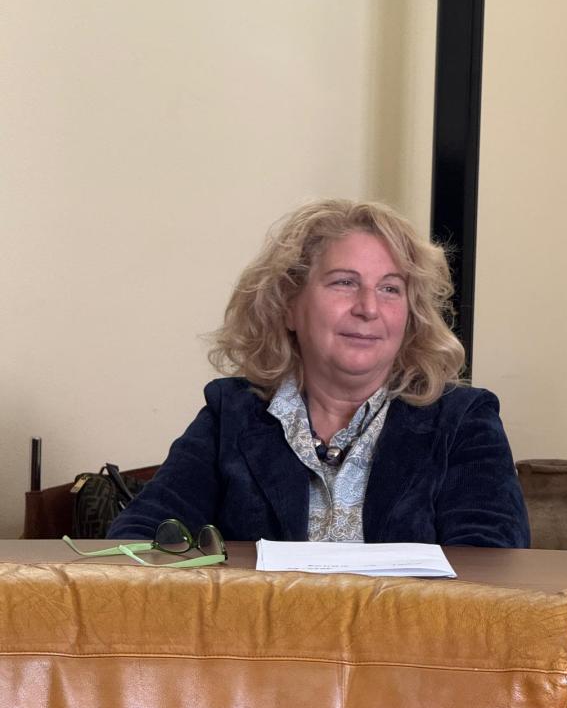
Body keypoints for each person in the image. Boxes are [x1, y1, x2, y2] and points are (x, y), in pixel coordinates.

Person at [108, 199, 530, 547]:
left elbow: (492, 570)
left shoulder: (462, 420)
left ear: (411, 313)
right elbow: (142, 540)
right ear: (289, 305)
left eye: (390, 288)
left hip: (410, 649)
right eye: (344, 283)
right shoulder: (232, 413)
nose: (368, 307)